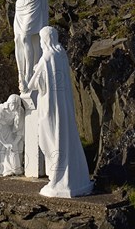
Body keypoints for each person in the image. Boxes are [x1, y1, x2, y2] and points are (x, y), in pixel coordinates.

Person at [28, 26, 93, 197]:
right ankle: (75, 178)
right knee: (65, 138)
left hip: (49, 108)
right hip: (63, 107)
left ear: (45, 40)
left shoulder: (46, 58)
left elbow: (33, 85)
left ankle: (58, 177)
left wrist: (35, 71)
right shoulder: (61, 55)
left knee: (49, 139)